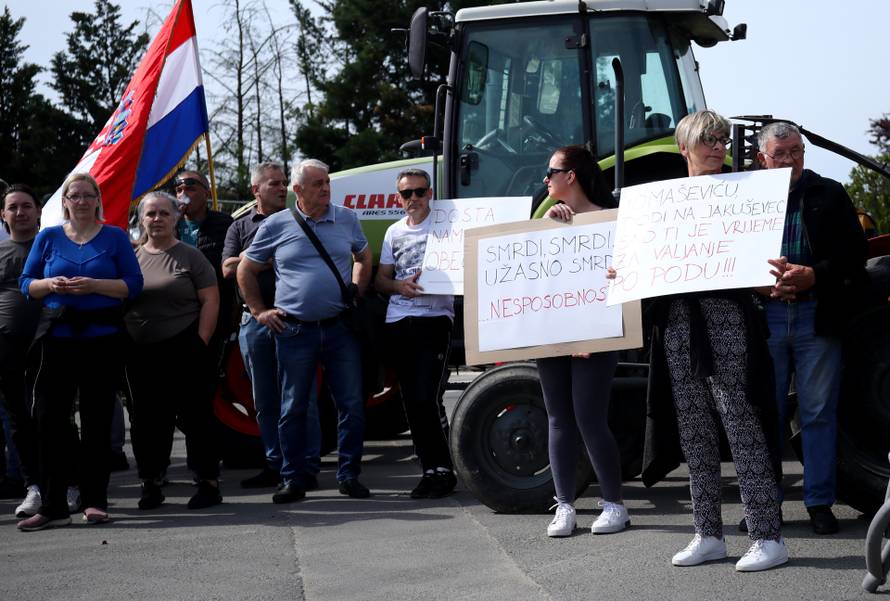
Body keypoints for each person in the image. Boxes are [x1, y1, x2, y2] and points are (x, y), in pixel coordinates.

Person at [618, 111, 787, 571]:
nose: (717, 148)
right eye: (707, 141)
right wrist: (626, 269)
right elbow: (644, 262)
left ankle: (767, 535)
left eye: (722, 142)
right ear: (684, 147)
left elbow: (760, 263)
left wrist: (769, 275)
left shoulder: (744, 195)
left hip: (727, 315)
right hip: (676, 321)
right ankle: (707, 533)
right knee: (693, 427)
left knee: (740, 420)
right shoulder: (660, 202)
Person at [237, 158, 372, 503]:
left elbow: (364, 256)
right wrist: (258, 311)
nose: (325, 189)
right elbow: (245, 270)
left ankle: (349, 476)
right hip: (295, 332)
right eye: (317, 184)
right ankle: (293, 479)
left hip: (340, 328)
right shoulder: (276, 225)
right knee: (293, 407)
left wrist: (357, 288)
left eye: (327, 182)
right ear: (298, 189)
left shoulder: (346, 218)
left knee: (352, 405)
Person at [758, 121, 868, 534]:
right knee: (766, 412)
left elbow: (854, 256)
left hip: (815, 315)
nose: (789, 161)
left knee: (818, 413)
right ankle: (766, 502)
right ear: (762, 158)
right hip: (763, 317)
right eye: (780, 154)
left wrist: (813, 275)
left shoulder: (830, 193)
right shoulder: (741, 196)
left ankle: (820, 503)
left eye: (796, 152)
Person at [18, 172, 143, 531]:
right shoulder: (49, 237)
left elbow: (133, 285)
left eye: (89, 195)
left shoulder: (115, 236)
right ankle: (54, 503)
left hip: (101, 338)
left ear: (97, 200)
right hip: (57, 337)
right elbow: (27, 284)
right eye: (75, 196)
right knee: (49, 420)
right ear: (65, 201)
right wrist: (49, 283)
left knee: (96, 421)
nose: (82, 201)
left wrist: (95, 285)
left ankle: (94, 501)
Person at [532, 147, 629, 537]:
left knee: (589, 416)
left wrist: (590, 330)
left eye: (551, 172)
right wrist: (551, 225)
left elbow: (617, 282)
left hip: (596, 335)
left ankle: (614, 504)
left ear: (571, 175)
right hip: (552, 334)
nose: (546, 179)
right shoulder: (549, 219)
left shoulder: (611, 222)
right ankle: (565, 505)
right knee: (557, 417)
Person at [222, 162, 323, 490]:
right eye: (274, 184)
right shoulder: (239, 227)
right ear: (256, 190)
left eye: (284, 183)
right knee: (264, 401)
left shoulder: (299, 221)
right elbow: (227, 269)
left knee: (301, 398)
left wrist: (250, 263)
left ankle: (307, 466)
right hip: (254, 322)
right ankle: (275, 464)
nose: (282, 188)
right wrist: (261, 259)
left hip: (294, 320)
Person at [123, 192, 222, 510]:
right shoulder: (130, 258)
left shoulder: (191, 256)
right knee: (147, 421)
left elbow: (211, 299)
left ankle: (207, 482)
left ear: (176, 218)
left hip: (185, 346)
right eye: (150, 214)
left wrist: (200, 341)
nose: (157, 219)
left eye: (164, 213)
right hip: (140, 352)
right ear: (141, 220)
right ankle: (150, 482)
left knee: (196, 417)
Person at [374, 168, 457, 499]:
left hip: (435, 318)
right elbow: (380, 280)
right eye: (406, 194)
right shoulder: (394, 232)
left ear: (430, 193)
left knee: (427, 397)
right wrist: (399, 286)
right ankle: (431, 469)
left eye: (419, 192)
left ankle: (443, 468)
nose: (413, 199)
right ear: (398, 198)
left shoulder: (447, 226)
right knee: (412, 401)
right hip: (399, 319)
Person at [0, 185, 43, 512]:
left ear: (38, 211)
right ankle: (33, 486)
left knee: (55, 417)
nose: (20, 212)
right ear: (3, 215)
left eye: (26, 206)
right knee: (18, 420)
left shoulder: (53, 244)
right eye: (12, 207)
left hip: (51, 341)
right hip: (7, 346)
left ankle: (68, 483)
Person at [174, 170, 234, 360]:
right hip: (176, 313)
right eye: (179, 190)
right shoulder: (166, 223)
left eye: (190, 189)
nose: (183, 195)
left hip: (215, 310)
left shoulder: (224, 224)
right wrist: (172, 220)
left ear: (206, 193)